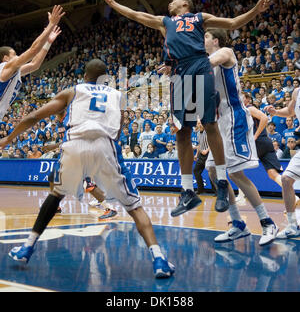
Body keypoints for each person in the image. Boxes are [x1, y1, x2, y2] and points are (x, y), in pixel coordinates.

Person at [97, 0, 270, 217]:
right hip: (179, 73)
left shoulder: (200, 18)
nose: (170, 3)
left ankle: (221, 183)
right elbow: (136, 15)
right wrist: (113, 4)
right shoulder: (165, 22)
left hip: (200, 66)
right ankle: (187, 191)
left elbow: (232, 23)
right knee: (181, 131)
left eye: (174, 1)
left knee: (209, 124)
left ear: (185, 5)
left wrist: (255, 11)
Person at [0, 59, 174, 278]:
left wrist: (9, 138)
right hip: (105, 145)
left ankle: (27, 247)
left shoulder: (72, 91)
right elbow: (119, 130)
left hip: (75, 145)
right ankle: (158, 259)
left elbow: (34, 116)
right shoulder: (117, 96)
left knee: (56, 193)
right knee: (135, 207)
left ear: (84, 76)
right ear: (105, 77)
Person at [204, 28, 278, 246]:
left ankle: (267, 222)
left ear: (216, 40)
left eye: (206, 37)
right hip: (218, 123)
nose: (203, 40)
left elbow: (205, 64)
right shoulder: (205, 62)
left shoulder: (225, 52)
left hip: (234, 118)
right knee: (213, 171)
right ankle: (238, 224)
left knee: (235, 174)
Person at [0, 6, 65, 120]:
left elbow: (35, 65)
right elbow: (33, 51)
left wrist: (47, 42)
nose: (17, 57)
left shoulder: (13, 72)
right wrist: (51, 25)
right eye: (14, 54)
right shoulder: (5, 67)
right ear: (5, 58)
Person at [265, 87, 300, 238]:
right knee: (286, 180)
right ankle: (292, 225)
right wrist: (276, 112)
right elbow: (291, 111)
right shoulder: (297, 92)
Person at [193, 120, 210, 195]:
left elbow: (212, 142)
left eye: (201, 123)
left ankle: (216, 190)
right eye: (199, 123)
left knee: (211, 173)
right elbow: (199, 145)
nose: (200, 125)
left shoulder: (208, 132)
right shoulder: (197, 134)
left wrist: (207, 150)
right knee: (196, 171)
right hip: (201, 155)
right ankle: (201, 189)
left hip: (208, 154)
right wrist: (196, 154)